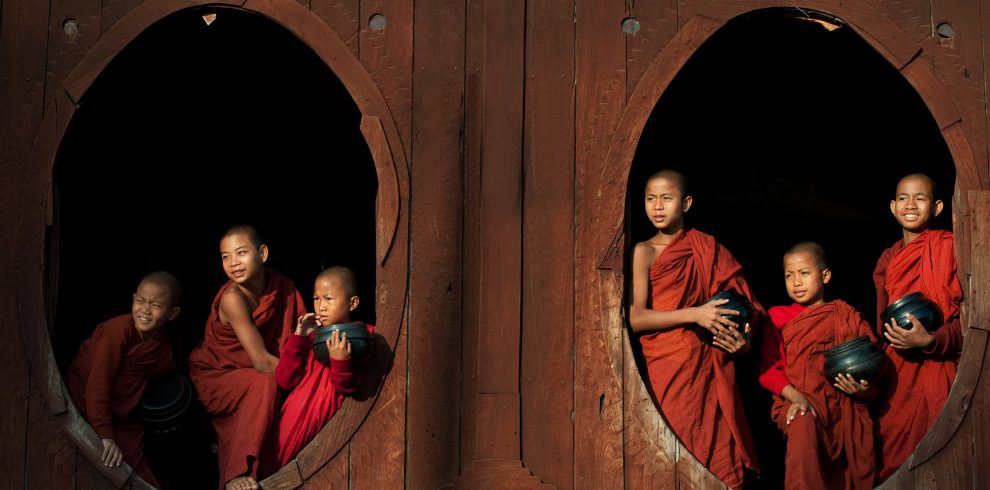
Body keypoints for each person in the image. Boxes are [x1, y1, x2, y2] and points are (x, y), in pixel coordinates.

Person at [628, 169, 760, 489]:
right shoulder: (643, 251)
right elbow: (636, 318)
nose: (658, 206)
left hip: (708, 367)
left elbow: (749, 309)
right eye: (650, 199)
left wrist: (744, 342)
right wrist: (694, 314)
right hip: (667, 366)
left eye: (667, 198)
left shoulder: (707, 249)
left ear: (686, 203)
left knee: (719, 461)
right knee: (671, 452)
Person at [188, 225, 307, 490]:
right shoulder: (232, 298)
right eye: (225, 256)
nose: (233, 263)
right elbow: (262, 362)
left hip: (267, 370)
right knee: (264, 383)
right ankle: (237, 474)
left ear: (262, 253)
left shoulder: (283, 287)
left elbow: (304, 337)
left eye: (241, 253)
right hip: (218, 375)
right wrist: (302, 377)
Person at [758, 242, 876, 489]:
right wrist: (796, 398)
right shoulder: (777, 317)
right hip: (797, 399)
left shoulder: (845, 315)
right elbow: (769, 370)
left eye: (804, 273)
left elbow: (872, 360)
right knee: (802, 423)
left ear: (825, 276)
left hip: (842, 404)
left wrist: (864, 391)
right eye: (789, 275)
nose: (796, 282)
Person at [872, 173, 964, 481]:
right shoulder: (888, 258)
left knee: (942, 457)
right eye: (903, 198)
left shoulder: (951, 248)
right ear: (892, 207)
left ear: (937, 207)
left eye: (920, 198)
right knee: (895, 457)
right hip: (899, 373)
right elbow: (882, 324)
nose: (910, 205)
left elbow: (973, 316)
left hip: (942, 362)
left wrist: (931, 340)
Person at [65, 271, 182, 488]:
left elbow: (166, 370)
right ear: (133, 299)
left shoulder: (159, 344)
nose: (145, 310)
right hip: (86, 405)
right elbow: (97, 384)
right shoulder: (117, 331)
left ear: (172, 313)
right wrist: (106, 436)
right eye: (140, 301)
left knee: (140, 475)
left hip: (121, 417)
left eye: (156, 306)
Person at [273, 266, 370, 467]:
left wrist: (341, 361)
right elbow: (285, 379)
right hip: (292, 423)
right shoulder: (310, 338)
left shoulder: (362, 337)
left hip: (325, 436)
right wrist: (299, 337)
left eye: (329, 299)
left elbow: (349, 387)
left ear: (352, 303)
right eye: (317, 299)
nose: (321, 307)